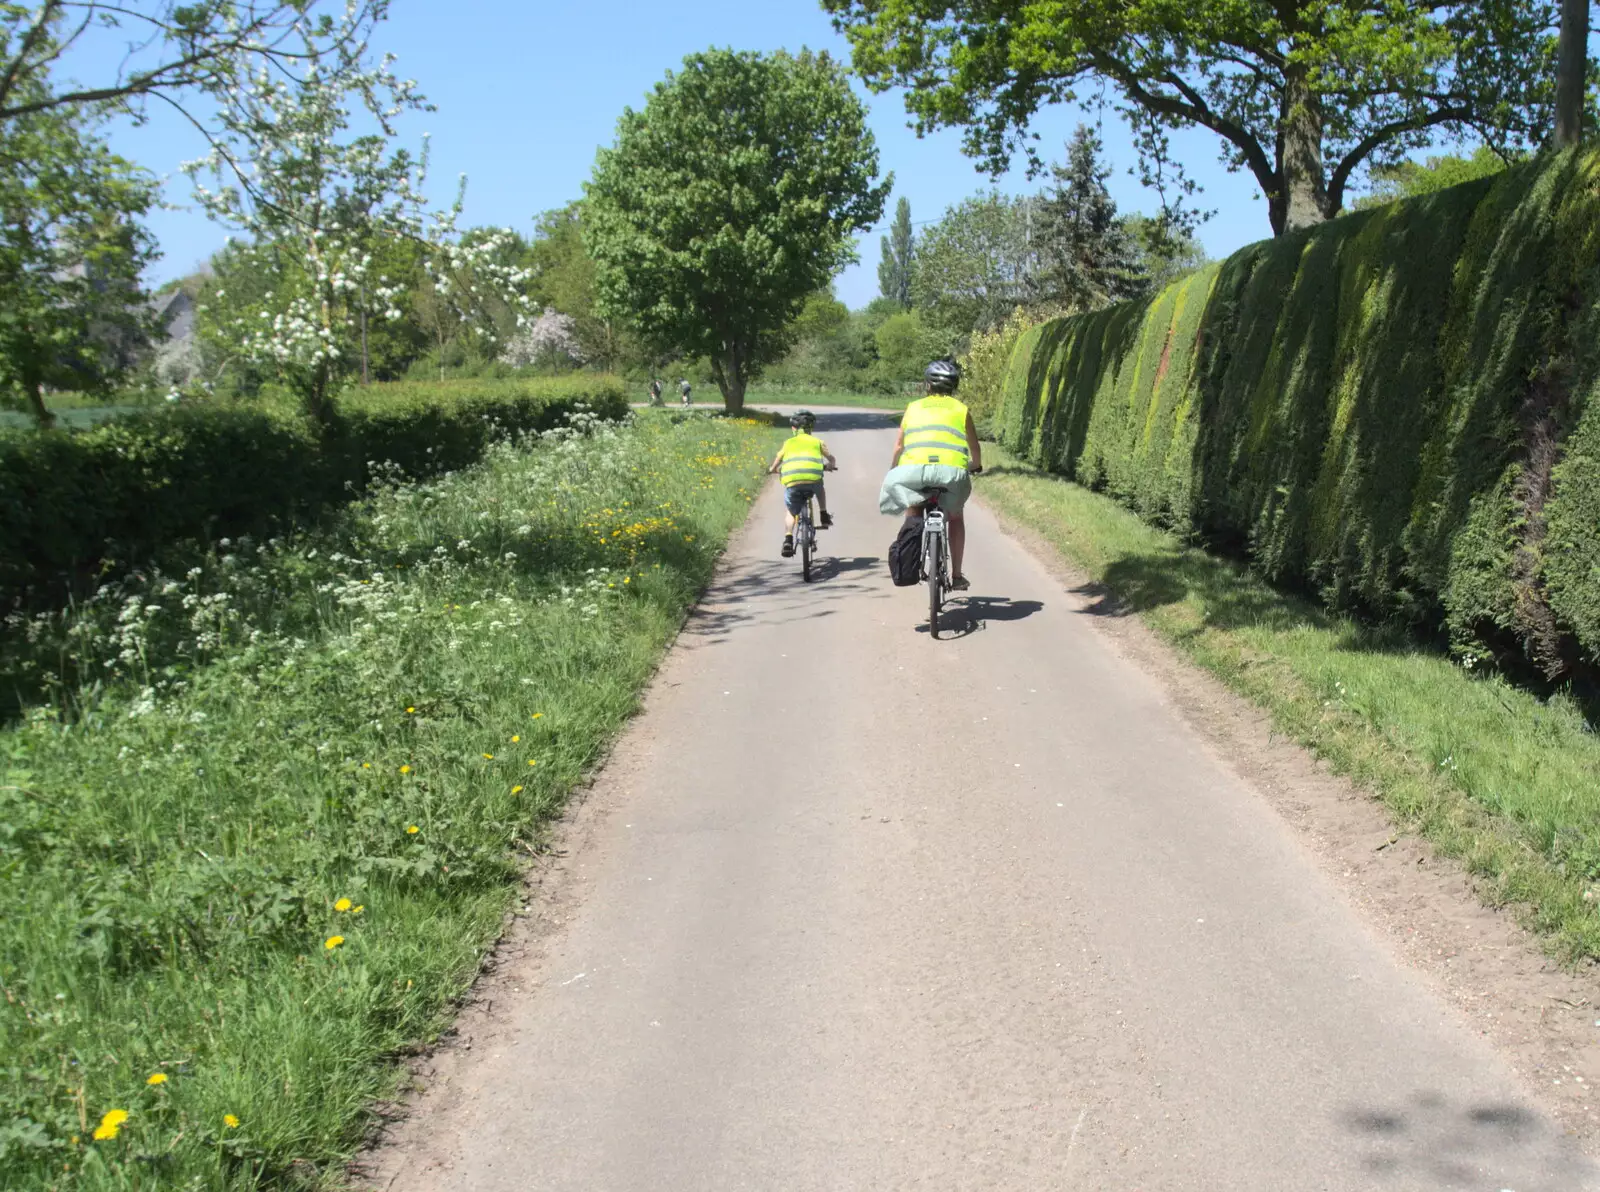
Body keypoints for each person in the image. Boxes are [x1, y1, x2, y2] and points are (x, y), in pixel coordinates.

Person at [880, 360, 983, 589]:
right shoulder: (961, 409)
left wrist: (894, 468)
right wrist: (975, 465)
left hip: (914, 471)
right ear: (954, 387)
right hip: (951, 473)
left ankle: (909, 558)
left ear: (927, 385)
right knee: (955, 517)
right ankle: (956, 576)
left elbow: (898, 446)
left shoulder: (913, 408)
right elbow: (974, 447)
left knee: (913, 508)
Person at [769, 409, 836, 557]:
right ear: (811, 428)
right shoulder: (817, 442)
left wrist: (772, 469)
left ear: (794, 428)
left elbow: (778, 460)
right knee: (820, 487)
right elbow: (831, 459)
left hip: (792, 481)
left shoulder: (788, 442)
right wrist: (830, 465)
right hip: (813, 479)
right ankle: (823, 513)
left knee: (791, 511)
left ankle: (788, 539)